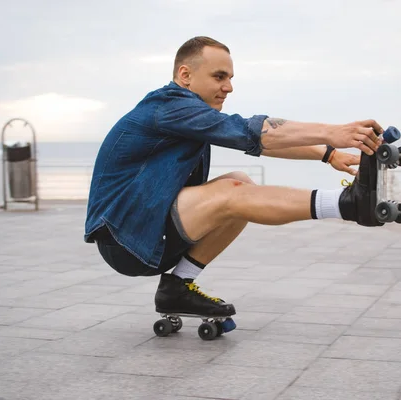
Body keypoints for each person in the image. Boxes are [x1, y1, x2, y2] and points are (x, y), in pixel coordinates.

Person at [84, 36, 385, 319]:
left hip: (147, 232)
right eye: (219, 77)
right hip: (126, 238)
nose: (228, 87)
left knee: (241, 181)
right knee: (232, 192)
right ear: (185, 75)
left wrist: (329, 153)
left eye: (229, 78)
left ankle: (177, 287)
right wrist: (332, 132)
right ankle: (346, 204)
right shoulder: (168, 108)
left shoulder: (188, 112)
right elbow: (253, 131)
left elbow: (258, 141)